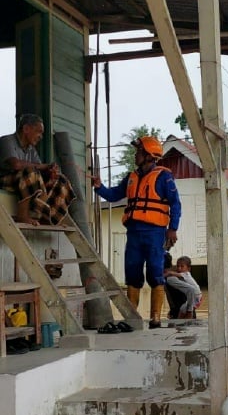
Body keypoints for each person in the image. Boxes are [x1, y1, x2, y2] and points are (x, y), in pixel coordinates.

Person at [92, 135, 180, 329]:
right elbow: (115, 194)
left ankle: (155, 318)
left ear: (149, 156)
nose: (135, 156)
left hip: (155, 231)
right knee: (132, 271)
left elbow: (175, 204)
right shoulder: (131, 177)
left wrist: (172, 229)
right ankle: (132, 316)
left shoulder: (164, 177)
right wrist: (99, 187)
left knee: (155, 272)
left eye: (138, 152)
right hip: (134, 232)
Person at [0, 113, 75, 225]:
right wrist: (44, 166)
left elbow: (40, 171)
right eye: (39, 131)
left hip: (23, 182)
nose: (41, 136)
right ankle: (23, 216)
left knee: (60, 180)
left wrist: (50, 172)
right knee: (30, 172)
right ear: (26, 129)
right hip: (4, 180)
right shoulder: (7, 140)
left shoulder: (31, 149)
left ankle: (48, 218)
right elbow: (16, 165)